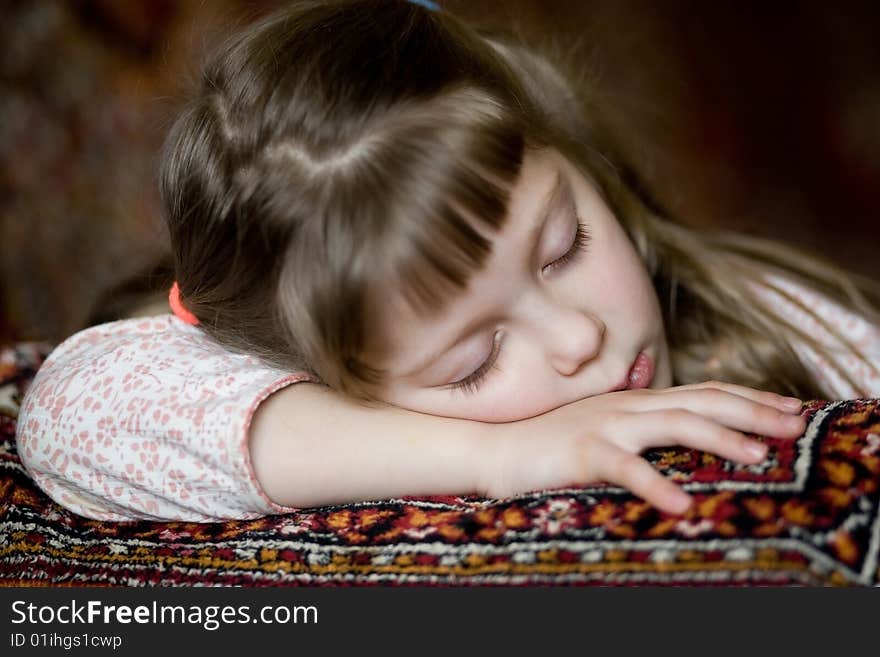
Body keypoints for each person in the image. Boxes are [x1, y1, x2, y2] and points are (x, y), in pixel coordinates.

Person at [16, 0, 880, 522]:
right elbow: (67, 409)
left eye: (563, 245)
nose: (580, 334)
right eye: (475, 359)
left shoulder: (769, 315)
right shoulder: (295, 403)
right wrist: (494, 457)